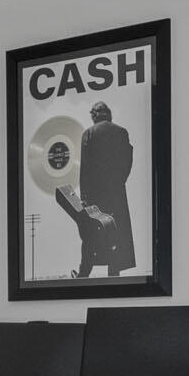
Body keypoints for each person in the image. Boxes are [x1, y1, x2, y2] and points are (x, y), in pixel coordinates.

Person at [73, 101, 138, 277]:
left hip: (95, 194)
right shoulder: (121, 132)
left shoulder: (89, 134)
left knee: (91, 232)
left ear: (94, 115)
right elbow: (128, 160)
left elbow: (85, 168)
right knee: (116, 232)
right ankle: (114, 272)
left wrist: (84, 196)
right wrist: (120, 181)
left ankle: (84, 272)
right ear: (108, 114)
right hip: (116, 193)